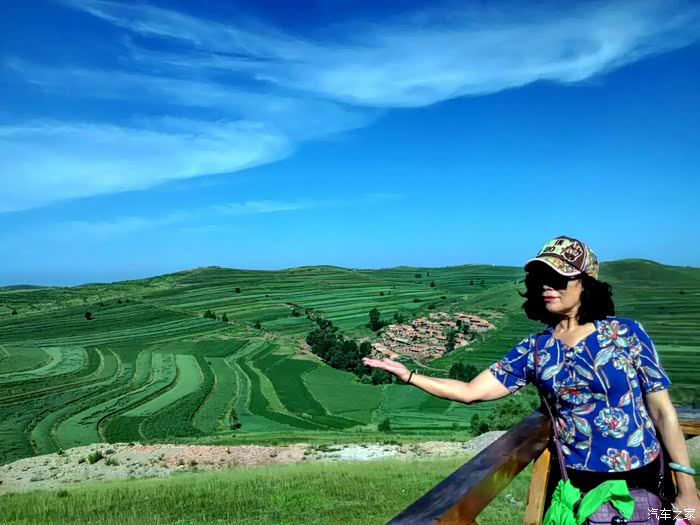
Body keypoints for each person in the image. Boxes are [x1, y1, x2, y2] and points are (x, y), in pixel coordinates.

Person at [362, 235, 700, 524]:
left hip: (646, 482)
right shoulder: (535, 350)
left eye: (559, 277)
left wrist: (687, 489)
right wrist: (409, 375)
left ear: (586, 283)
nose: (546, 285)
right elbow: (471, 391)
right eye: (541, 278)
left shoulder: (625, 333)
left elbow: (662, 412)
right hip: (577, 491)